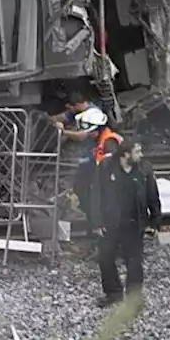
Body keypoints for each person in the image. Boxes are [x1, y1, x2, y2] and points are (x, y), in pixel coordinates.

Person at [94, 139, 160, 306]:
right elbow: (95, 194)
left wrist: (155, 221)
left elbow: (152, 195)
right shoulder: (106, 166)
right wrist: (96, 221)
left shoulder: (144, 169)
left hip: (134, 221)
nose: (141, 155)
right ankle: (113, 293)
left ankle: (133, 298)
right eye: (137, 152)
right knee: (105, 258)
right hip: (111, 221)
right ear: (126, 154)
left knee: (135, 261)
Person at [53, 92, 122, 231]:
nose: (90, 135)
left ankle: (100, 227)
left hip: (106, 179)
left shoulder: (109, 143)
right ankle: (95, 224)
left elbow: (109, 173)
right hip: (95, 171)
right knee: (82, 190)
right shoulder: (99, 136)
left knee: (95, 197)